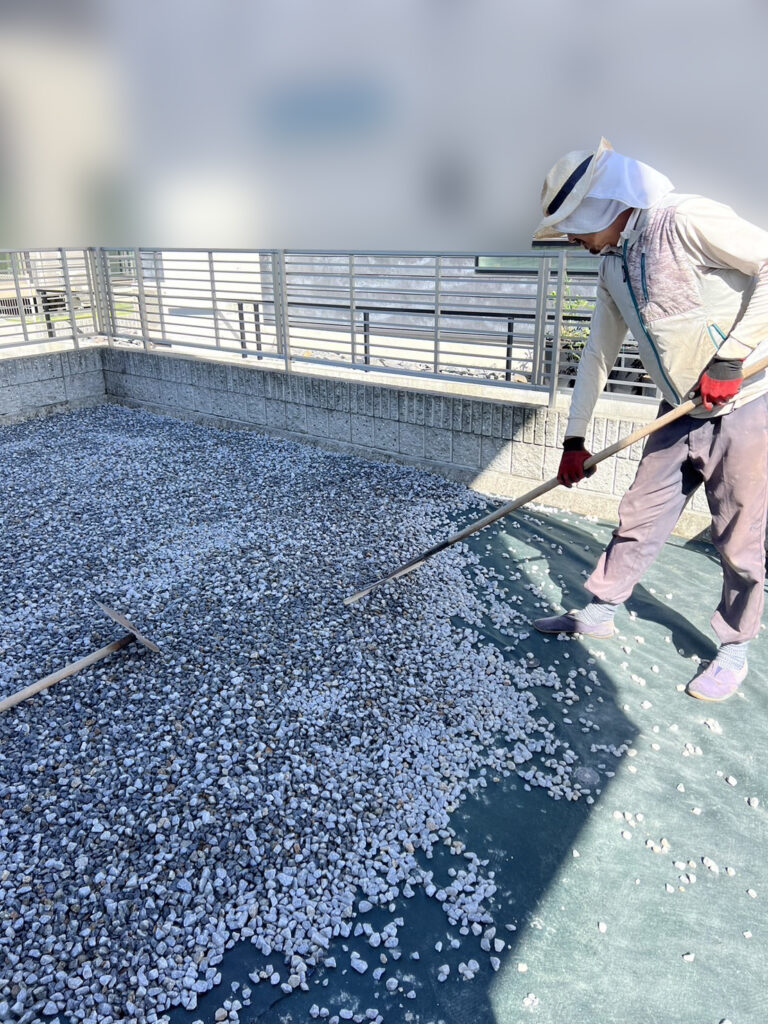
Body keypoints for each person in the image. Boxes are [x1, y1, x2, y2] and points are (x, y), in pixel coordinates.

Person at [531, 138, 768, 702]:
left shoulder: (684, 219)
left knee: (738, 537)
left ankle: (735, 647)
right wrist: (574, 439)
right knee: (640, 513)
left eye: (575, 226)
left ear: (602, 208)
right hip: (677, 408)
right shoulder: (613, 265)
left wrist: (731, 356)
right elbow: (597, 354)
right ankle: (601, 609)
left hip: (745, 402)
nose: (574, 240)